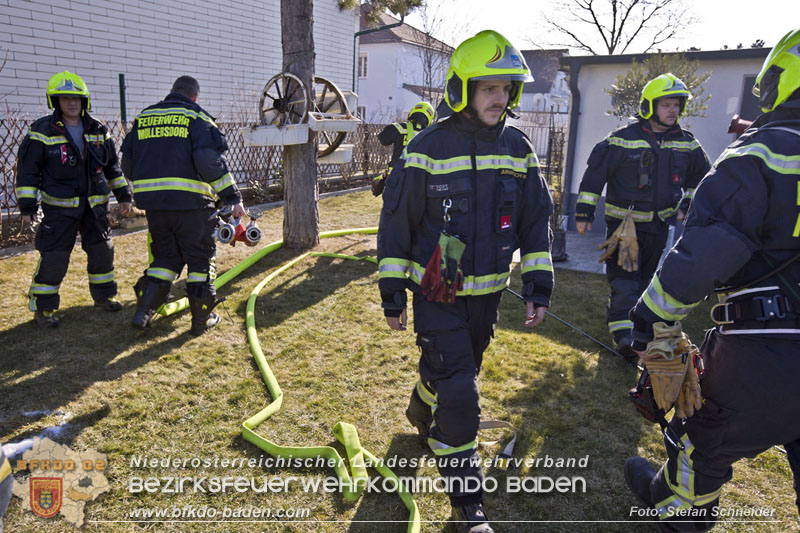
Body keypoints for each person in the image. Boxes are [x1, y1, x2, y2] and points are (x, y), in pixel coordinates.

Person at [623, 27, 800, 532]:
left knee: (703, 438)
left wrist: (651, 322)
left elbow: (704, 254)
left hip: (766, 351)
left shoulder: (757, 155)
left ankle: (678, 509)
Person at [377, 30, 553, 533]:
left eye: (506, 88)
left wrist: (539, 286)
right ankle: (467, 506)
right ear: (462, 89)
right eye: (489, 88)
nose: (500, 97)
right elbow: (397, 223)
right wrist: (392, 293)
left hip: (487, 296)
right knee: (461, 395)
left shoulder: (520, 148)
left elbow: (535, 221)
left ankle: (419, 407)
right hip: (438, 288)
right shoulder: (428, 145)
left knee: (452, 371)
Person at [574, 73, 710, 357]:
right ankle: (625, 340)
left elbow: (702, 178)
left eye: (676, 105)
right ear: (650, 107)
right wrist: (584, 211)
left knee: (646, 280)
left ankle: (626, 321)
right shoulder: (621, 140)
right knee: (625, 280)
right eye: (666, 105)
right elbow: (594, 176)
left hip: (659, 226)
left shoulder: (687, 144)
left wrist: (686, 204)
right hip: (626, 226)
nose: (672, 110)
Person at [121, 75, 245, 335]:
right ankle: (202, 320)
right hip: (192, 205)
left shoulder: (144, 118)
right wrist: (232, 197)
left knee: (165, 257)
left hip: (154, 206)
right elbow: (210, 164)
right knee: (200, 260)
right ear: (195, 96)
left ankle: (144, 311)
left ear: (172, 91)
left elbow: (128, 167)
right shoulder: (197, 118)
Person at [16, 70, 132, 328]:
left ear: (84, 101)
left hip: (95, 208)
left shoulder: (99, 129)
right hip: (59, 210)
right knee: (55, 257)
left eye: (76, 98)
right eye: (65, 98)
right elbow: (28, 170)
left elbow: (112, 167)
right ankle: (44, 308)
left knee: (103, 251)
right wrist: (27, 205)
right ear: (55, 101)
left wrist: (124, 195)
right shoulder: (41, 130)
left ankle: (104, 296)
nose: (71, 103)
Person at [371, 101, 435, 196]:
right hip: (420, 184)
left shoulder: (399, 128)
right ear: (429, 118)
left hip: (395, 180)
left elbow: (383, 139)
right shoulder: (432, 136)